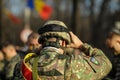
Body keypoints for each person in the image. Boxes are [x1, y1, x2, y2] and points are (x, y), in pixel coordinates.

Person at [13, 20, 112, 80]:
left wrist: (35, 52)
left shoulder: (22, 66)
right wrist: (81, 45)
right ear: (64, 43)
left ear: (41, 43)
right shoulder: (73, 65)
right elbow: (106, 64)